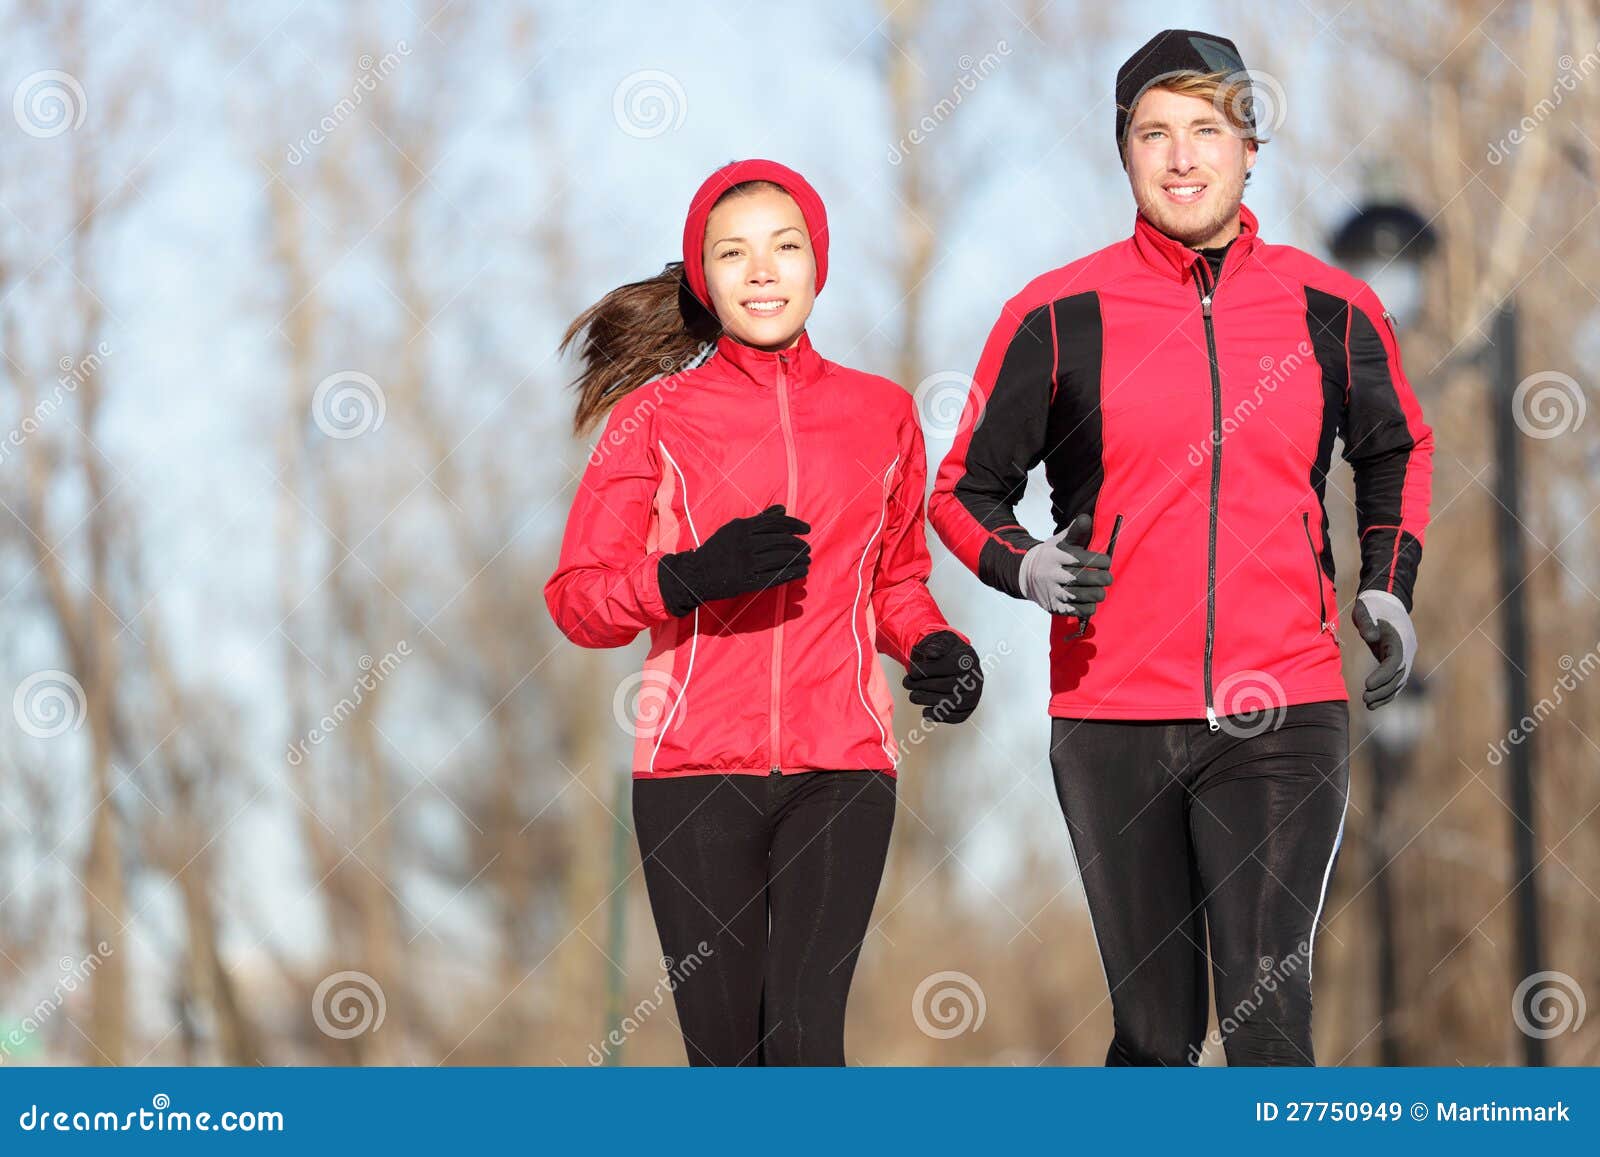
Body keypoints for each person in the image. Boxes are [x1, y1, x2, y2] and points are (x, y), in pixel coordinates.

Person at [929, 30, 1433, 1065]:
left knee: (1265, 1013)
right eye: (1153, 133)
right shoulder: (1056, 314)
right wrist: (1022, 563)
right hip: (1111, 710)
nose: (1182, 156)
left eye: (1207, 129)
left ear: (1251, 149)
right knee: (1156, 1035)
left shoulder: (1329, 306)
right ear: (1125, 154)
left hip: (1283, 705)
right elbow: (962, 490)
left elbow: (1396, 446)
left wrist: (1386, 588)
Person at [545, 158, 983, 1066]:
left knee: (804, 1034)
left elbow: (895, 581)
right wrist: (687, 578)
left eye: (785, 247)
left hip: (844, 767)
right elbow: (579, 599)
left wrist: (938, 648)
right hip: (692, 773)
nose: (762, 269)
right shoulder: (653, 417)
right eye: (733, 252)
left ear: (817, 264)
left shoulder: (883, 413)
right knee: (725, 1053)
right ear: (704, 278)